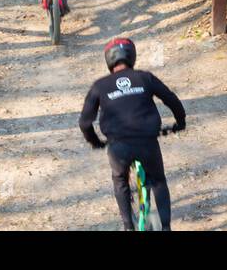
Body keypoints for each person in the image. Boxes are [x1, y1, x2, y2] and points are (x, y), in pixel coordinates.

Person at [79, 38, 186, 231]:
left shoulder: (99, 86)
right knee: (158, 180)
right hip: (147, 141)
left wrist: (96, 142)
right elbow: (171, 99)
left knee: (120, 181)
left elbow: (85, 123)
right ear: (132, 56)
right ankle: (166, 227)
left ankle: (128, 227)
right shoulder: (145, 77)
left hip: (118, 146)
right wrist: (180, 122)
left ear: (108, 60)